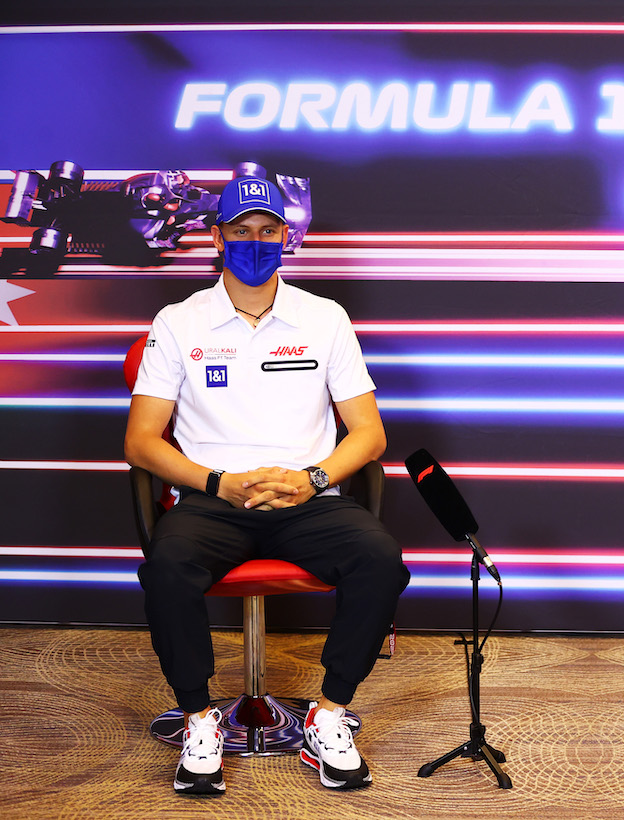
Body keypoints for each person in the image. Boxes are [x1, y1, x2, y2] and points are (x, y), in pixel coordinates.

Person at [124, 175, 410, 796]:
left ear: (287, 235)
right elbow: (141, 441)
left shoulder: (325, 317)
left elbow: (369, 434)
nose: (255, 242)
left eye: (267, 230)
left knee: (381, 560)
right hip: (213, 500)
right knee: (167, 567)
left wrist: (311, 480)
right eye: (241, 231)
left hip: (305, 500)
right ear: (217, 237)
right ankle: (201, 720)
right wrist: (217, 483)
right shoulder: (177, 322)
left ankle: (328, 716)